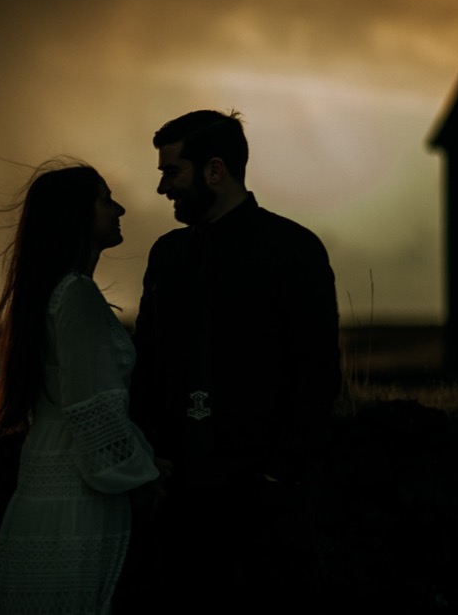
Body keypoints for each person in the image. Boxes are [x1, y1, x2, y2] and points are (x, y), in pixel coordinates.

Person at [116, 110, 341, 614]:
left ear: (215, 170)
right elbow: (146, 362)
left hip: (264, 506)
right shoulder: (167, 255)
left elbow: (318, 369)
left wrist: (280, 476)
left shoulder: (294, 250)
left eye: (171, 172)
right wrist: (153, 453)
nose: (161, 188)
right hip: (181, 502)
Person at [0, 162, 163, 615]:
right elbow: (95, 413)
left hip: (45, 489)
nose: (119, 208)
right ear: (77, 215)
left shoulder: (51, 294)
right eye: (106, 199)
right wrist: (147, 480)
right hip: (79, 499)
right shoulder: (77, 296)